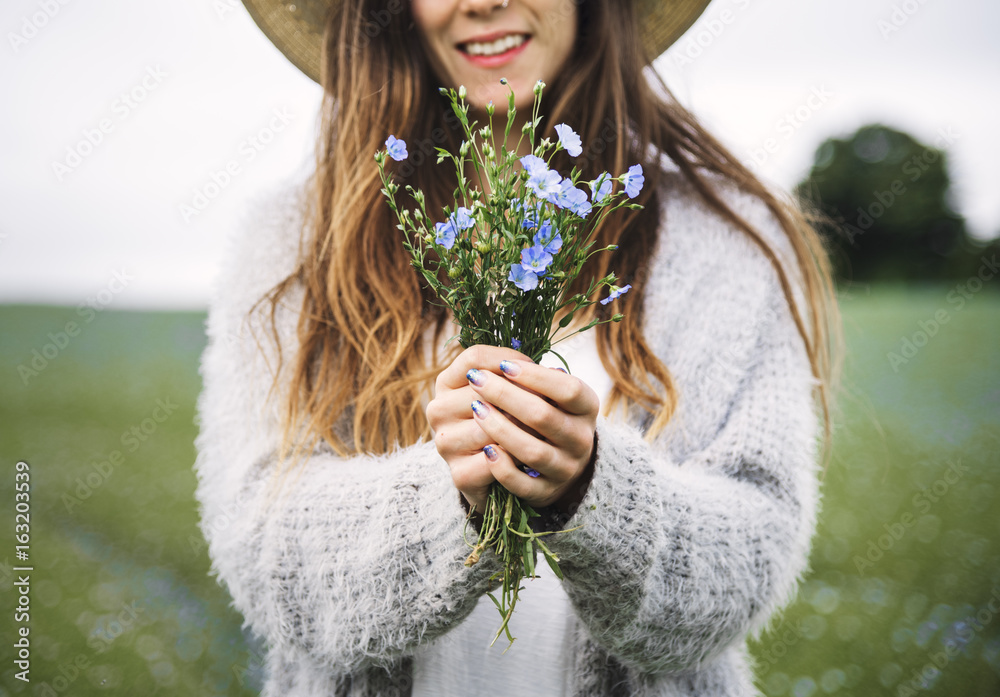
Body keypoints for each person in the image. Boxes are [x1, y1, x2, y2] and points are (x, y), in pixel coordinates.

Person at [193, 0, 843, 695]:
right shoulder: (293, 244)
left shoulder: (724, 240)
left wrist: (591, 487)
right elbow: (266, 555)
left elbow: (750, 554)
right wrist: (453, 498)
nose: (481, 2)